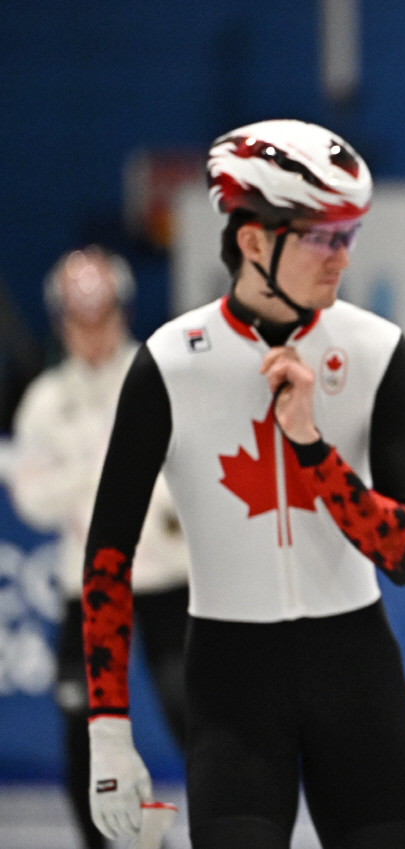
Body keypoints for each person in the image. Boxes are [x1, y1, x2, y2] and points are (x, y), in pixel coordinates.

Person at [81, 119, 405, 848]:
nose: (343, 256)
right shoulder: (171, 363)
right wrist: (108, 733)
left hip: (358, 679)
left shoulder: (379, 353)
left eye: (350, 234)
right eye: (323, 237)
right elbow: (108, 558)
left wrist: (311, 448)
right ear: (252, 240)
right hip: (232, 686)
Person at [10, 247, 190, 849]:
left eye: (101, 316)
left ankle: (230, 829)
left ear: (122, 312)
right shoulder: (45, 400)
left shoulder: (159, 377)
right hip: (86, 585)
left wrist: (109, 485)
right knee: (82, 721)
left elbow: (191, 472)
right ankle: (107, 842)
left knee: (193, 712)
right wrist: (100, 475)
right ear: (61, 321)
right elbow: (31, 497)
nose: (91, 332)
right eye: (78, 319)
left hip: (167, 579)